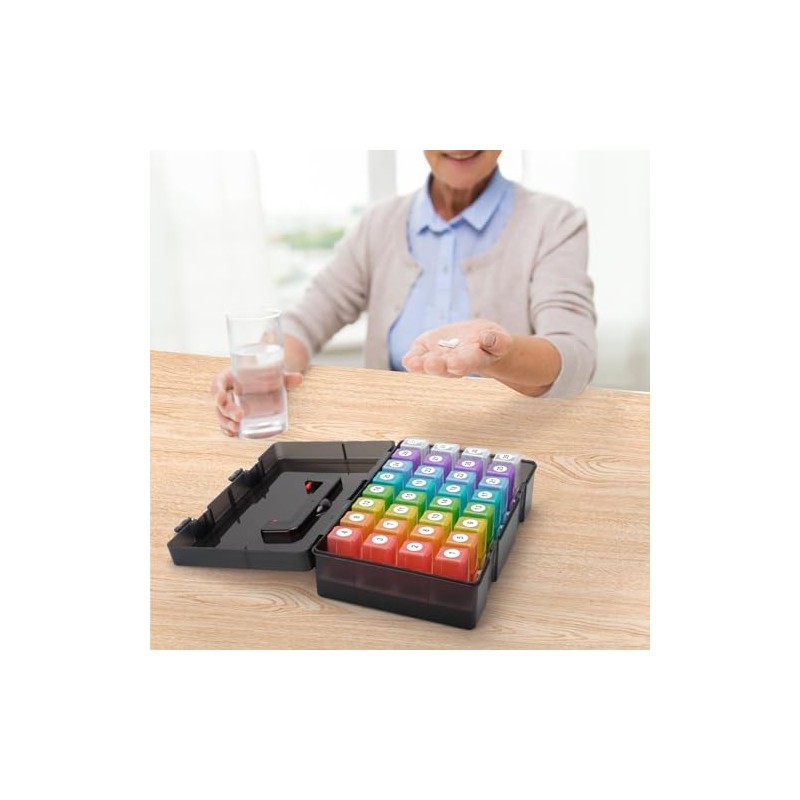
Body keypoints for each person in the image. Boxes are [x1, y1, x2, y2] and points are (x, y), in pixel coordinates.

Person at [213, 150, 597, 437]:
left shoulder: (555, 221)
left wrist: (502, 356)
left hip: (510, 448)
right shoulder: (380, 223)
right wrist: (266, 368)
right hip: (392, 447)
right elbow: (308, 319)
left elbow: (576, 355)